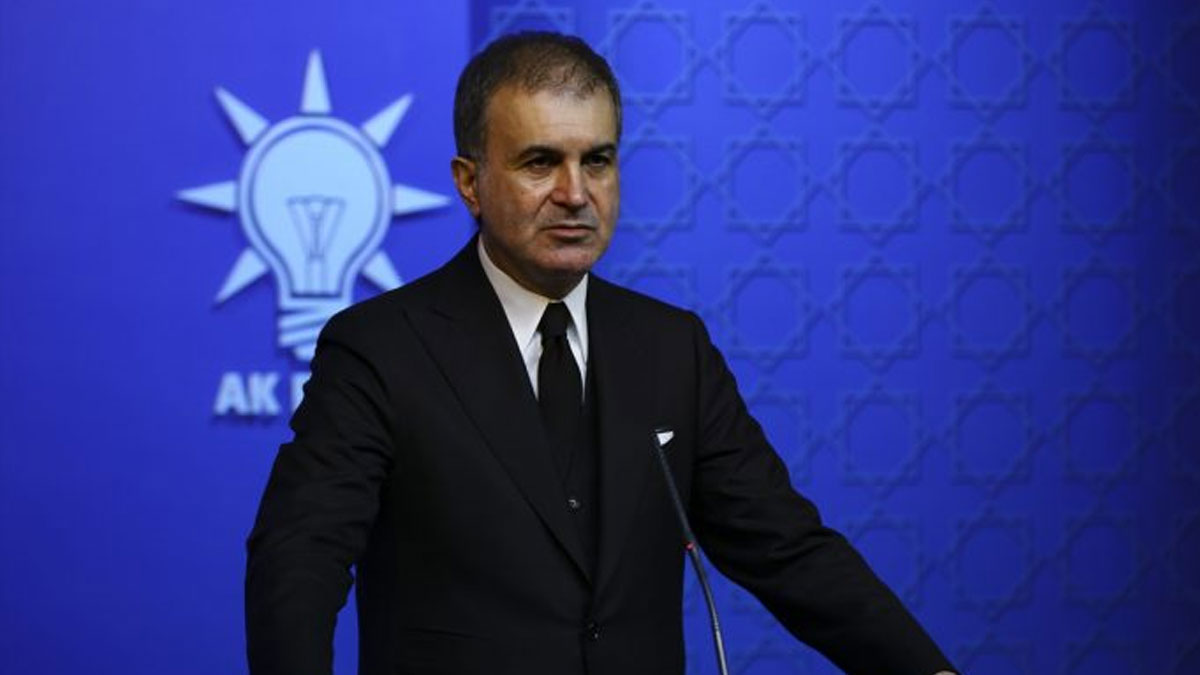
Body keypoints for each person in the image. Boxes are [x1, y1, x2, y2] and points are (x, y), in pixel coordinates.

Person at [245, 31, 957, 675]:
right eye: (540, 162)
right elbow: (300, 556)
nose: (575, 193)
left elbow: (788, 550)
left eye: (598, 160)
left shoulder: (671, 348)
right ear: (470, 182)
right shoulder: (381, 348)